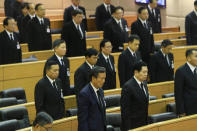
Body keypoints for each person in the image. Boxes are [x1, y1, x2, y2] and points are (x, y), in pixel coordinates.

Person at [121, 61, 149, 130]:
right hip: (133, 125)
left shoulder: (144, 84)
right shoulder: (128, 87)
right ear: (136, 72)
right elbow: (125, 111)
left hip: (143, 123)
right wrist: (128, 128)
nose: (146, 74)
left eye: (147, 72)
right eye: (144, 72)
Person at [77, 66, 106, 131]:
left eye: (104, 78)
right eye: (101, 78)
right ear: (93, 78)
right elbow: (83, 119)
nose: (103, 81)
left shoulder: (101, 91)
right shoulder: (84, 94)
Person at [175, 48, 197, 117]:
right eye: (196, 56)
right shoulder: (181, 71)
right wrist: (181, 111)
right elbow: (178, 93)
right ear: (188, 58)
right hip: (189, 108)